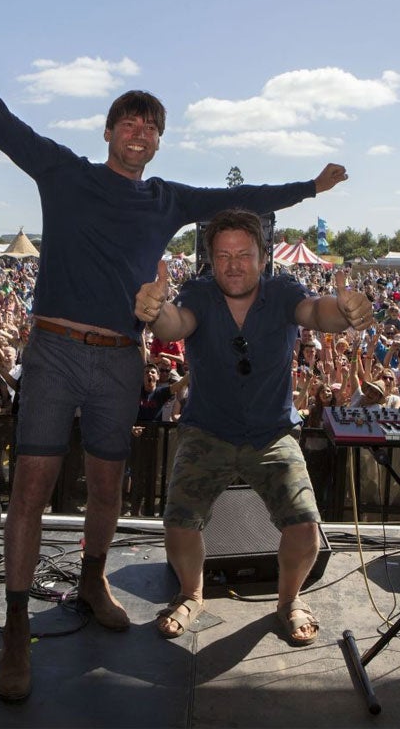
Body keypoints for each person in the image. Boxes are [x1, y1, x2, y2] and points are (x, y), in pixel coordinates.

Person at [0, 0, 349, 703]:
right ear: (110, 131)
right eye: (130, 120)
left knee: (110, 485)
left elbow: (245, 197)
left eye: (152, 125)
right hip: (54, 348)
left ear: (157, 144)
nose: (140, 130)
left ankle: (92, 579)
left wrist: (311, 186)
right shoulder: (63, 173)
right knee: (30, 490)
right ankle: (16, 629)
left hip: (122, 355)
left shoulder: (169, 200)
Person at [134, 208, 372, 645]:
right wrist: (155, 312)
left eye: (244, 254)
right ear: (210, 260)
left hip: (272, 433)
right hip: (208, 430)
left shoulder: (282, 292)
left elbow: (317, 314)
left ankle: (289, 601)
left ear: (263, 258)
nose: (234, 264)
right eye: (223, 255)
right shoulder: (199, 293)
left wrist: (345, 310)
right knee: (179, 522)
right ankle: (191, 594)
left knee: (304, 528)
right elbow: (177, 322)